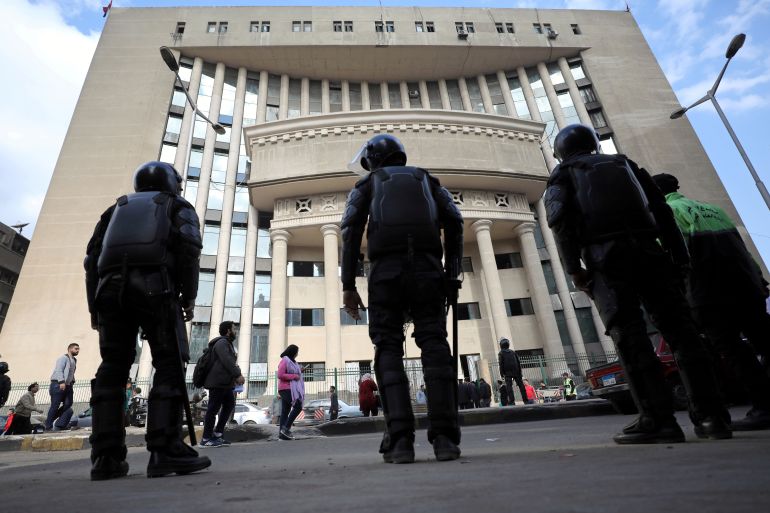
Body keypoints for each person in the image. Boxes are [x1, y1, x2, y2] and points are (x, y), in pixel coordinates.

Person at [544, 124, 731, 444]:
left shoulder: (563, 174)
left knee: (630, 338)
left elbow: (560, 223)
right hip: (651, 253)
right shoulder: (626, 164)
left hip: (606, 260)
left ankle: (657, 419)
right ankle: (712, 416)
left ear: (560, 151)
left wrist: (574, 269)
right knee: (683, 333)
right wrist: (679, 257)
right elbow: (662, 212)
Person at [341, 134, 464, 463]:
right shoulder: (428, 180)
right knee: (435, 343)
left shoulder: (367, 184)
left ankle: (400, 442)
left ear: (373, 159)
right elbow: (455, 221)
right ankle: (445, 439)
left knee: (388, 347)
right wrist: (452, 272)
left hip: (386, 274)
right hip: (428, 271)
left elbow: (350, 231)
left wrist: (348, 284)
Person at [84, 161, 210, 480]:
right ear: (170, 182)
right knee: (170, 362)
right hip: (156, 287)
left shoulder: (115, 209)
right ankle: (165, 449)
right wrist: (189, 295)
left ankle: (105, 457)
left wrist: (94, 309)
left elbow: (91, 260)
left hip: (108, 290)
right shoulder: (177, 205)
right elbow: (190, 249)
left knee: (112, 366)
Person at [652, 173, 770, 430]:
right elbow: (742, 248)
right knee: (764, 340)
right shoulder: (714, 210)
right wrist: (759, 279)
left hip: (709, 292)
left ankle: (764, 406)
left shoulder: (668, 212)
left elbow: (672, 255)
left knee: (733, 350)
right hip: (746, 285)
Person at [201, 321, 245, 447]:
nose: (235, 331)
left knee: (229, 404)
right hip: (217, 382)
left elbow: (230, 362)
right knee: (213, 409)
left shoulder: (227, 344)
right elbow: (227, 360)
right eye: (234, 329)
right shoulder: (222, 343)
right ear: (228, 331)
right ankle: (206, 438)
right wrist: (237, 374)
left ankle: (217, 434)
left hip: (225, 383)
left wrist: (235, 374)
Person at [45, 343, 79, 431]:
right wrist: (61, 381)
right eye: (76, 349)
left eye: (78, 349)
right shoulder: (63, 358)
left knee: (68, 404)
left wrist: (72, 381)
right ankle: (48, 426)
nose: (78, 350)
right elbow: (59, 370)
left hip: (68, 385)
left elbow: (71, 372)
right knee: (55, 406)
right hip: (57, 384)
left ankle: (56, 423)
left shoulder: (74, 360)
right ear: (70, 349)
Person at [276, 344, 304, 440]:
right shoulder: (285, 360)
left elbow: (293, 371)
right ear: (293, 352)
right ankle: (286, 429)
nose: (297, 354)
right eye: (297, 352)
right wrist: (294, 376)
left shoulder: (293, 362)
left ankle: (282, 435)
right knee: (298, 406)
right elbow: (280, 375)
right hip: (285, 388)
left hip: (291, 389)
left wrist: (300, 371)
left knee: (285, 411)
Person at [498, 338, 526, 406]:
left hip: (507, 372)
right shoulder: (513, 352)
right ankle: (525, 399)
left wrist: (502, 374)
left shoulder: (501, 353)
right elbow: (518, 362)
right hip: (516, 371)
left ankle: (512, 401)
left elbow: (501, 364)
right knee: (521, 386)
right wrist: (520, 372)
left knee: (509, 387)